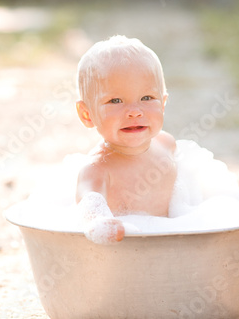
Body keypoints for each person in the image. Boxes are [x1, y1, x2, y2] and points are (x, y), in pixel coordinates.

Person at [75, 35, 177, 244]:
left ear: (163, 104)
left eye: (147, 98)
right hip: (124, 255)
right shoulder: (97, 169)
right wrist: (99, 223)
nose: (134, 111)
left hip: (173, 245)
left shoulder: (166, 145)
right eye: (115, 101)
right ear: (87, 115)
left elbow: (197, 189)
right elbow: (88, 205)